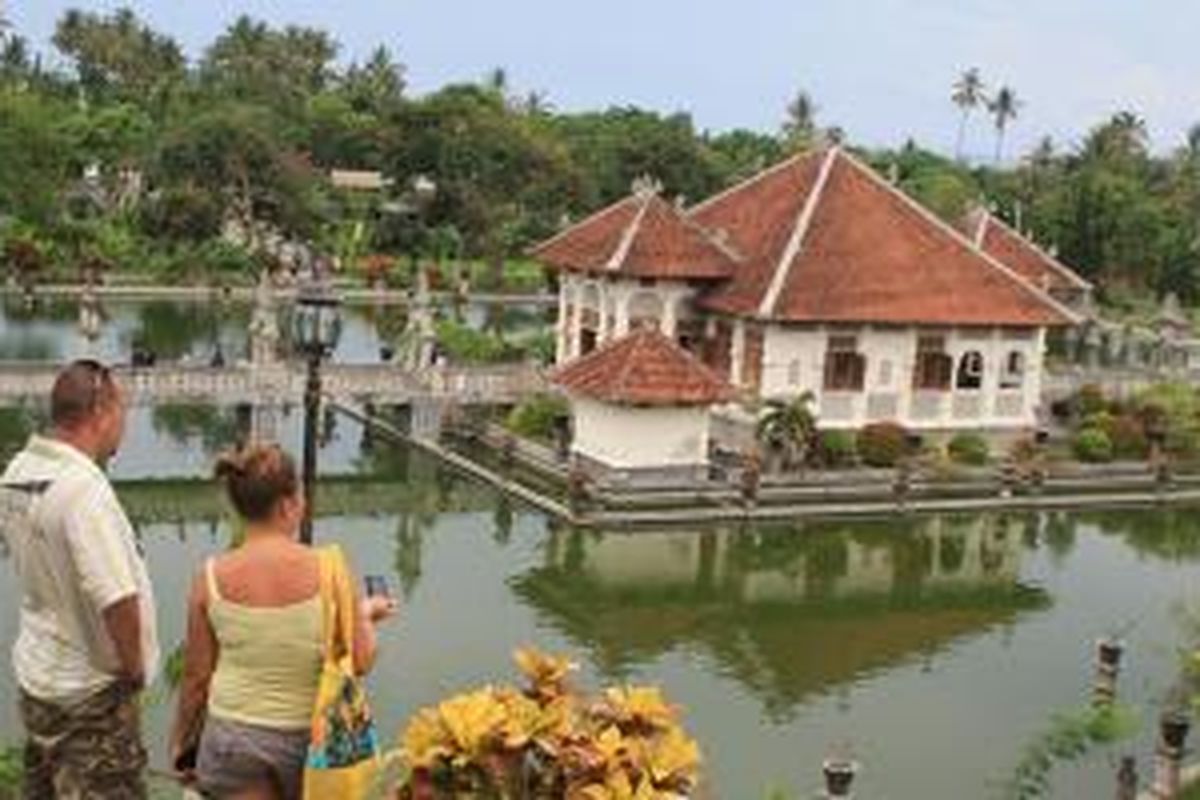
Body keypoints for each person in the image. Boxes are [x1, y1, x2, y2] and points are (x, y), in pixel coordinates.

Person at [170, 444, 395, 800]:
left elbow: (197, 678)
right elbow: (362, 659)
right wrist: (364, 617)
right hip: (311, 744)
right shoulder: (330, 570)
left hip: (232, 740)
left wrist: (181, 743)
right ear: (288, 505)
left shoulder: (210, 576)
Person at [0, 359, 159, 798]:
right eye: (122, 410)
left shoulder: (17, 472)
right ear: (100, 411)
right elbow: (117, 596)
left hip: (40, 676)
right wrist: (134, 669)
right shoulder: (84, 491)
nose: (124, 425)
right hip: (90, 696)